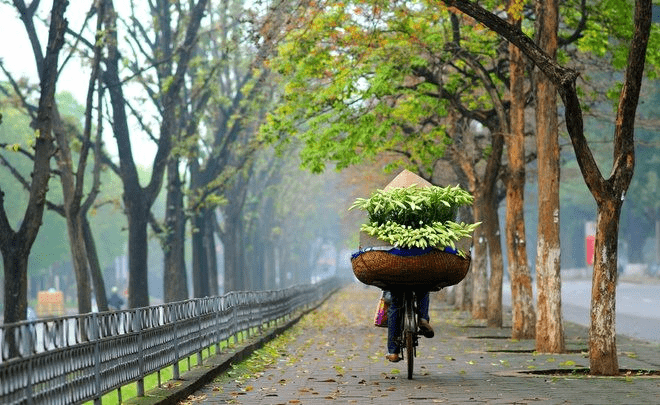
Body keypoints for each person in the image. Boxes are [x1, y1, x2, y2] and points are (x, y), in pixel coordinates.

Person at [385, 289, 434, 362]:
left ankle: (393, 352)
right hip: (418, 281)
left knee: (394, 304)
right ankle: (423, 318)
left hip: (396, 281)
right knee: (424, 290)